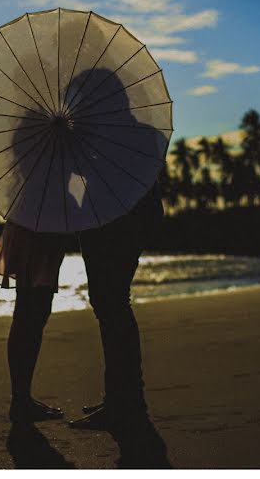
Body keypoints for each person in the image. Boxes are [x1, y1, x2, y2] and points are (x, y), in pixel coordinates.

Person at [68, 180, 164, 432]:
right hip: (123, 219)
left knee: (111, 305)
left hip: (111, 222)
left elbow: (82, 180)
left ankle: (123, 402)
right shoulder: (137, 142)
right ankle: (124, 397)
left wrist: (77, 205)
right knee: (112, 304)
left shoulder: (109, 143)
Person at [0, 220, 67, 424]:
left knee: (28, 314)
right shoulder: (47, 192)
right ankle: (21, 401)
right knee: (31, 315)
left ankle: (21, 398)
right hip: (40, 236)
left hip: (32, 232)